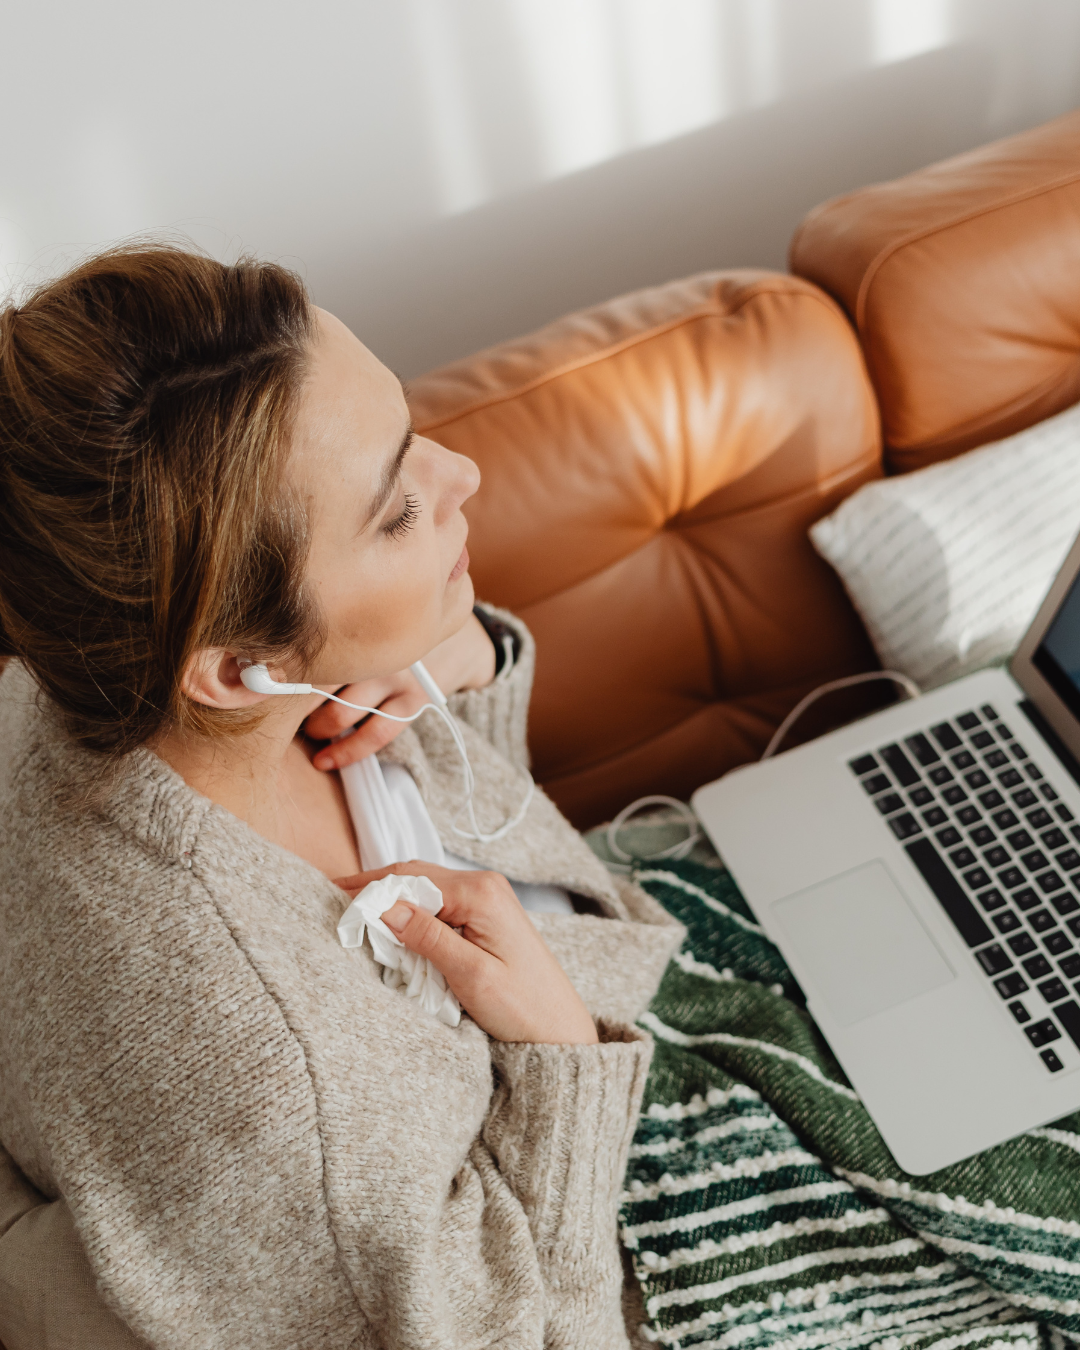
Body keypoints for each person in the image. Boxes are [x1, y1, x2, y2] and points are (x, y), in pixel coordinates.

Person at [0, 247, 682, 1348]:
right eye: (399, 509)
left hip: (657, 1004)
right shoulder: (278, 1087)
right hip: (641, 1235)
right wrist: (564, 1061)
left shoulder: (72, 677)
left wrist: (453, 663)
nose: (463, 475)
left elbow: (474, 840)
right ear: (235, 666)